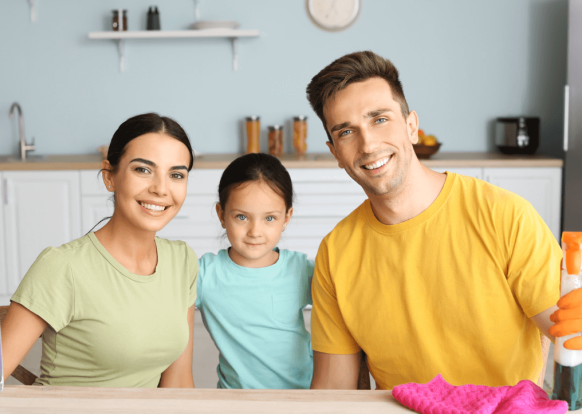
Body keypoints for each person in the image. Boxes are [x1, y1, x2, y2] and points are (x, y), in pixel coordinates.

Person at [304, 51, 562, 390]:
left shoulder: (506, 217)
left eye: (379, 119)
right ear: (335, 152)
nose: (368, 144)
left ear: (412, 127)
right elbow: (333, 393)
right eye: (347, 132)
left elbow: (568, 334)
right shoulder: (335, 254)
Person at [0, 113, 198, 387]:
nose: (161, 189)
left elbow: (178, 382)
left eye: (176, 175)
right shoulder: (62, 266)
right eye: (143, 169)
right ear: (109, 176)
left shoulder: (182, 261)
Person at [195, 153, 314, 389]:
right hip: (234, 402)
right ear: (221, 215)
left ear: (286, 217)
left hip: (301, 399)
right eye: (242, 217)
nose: (255, 231)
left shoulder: (301, 270)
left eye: (269, 218)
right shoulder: (204, 274)